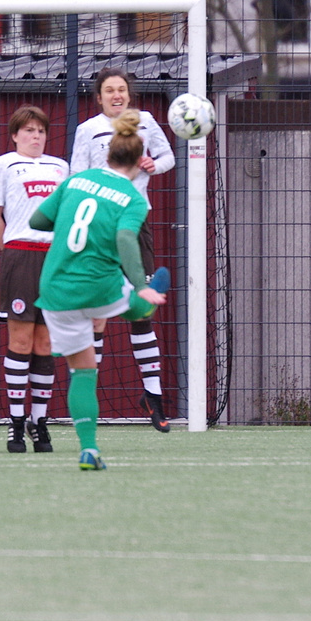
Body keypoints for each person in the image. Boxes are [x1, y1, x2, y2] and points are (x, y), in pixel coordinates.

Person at [31, 111, 171, 470]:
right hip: (99, 284)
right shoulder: (133, 197)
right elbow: (126, 238)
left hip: (56, 287)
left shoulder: (76, 181)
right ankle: (144, 301)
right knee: (137, 306)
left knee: (83, 369)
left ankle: (89, 449)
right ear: (139, 162)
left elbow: (37, 221)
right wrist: (142, 284)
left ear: (107, 155)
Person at [70, 67, 176, 431]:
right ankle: (90, 398)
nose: (116, 95)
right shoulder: (88, 130)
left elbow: (168, 158)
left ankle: (154, 397)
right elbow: (75, 176)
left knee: (142, 309)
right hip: (100, 227)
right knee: (96, 315)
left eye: (122, 90)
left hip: (135, 224)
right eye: (109, 91)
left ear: (129, 96)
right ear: (98, 97)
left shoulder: (146, 122)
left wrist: (153, 164)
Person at [0, 105, 69, 454]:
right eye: (29, 130)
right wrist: (8, 250)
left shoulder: (61, 167)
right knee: (20, 340)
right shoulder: (2, 165)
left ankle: (40, 422)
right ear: (15, 134)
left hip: (53, 258)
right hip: (20, 254)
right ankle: (16, 423)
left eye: (40, 131)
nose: (35, 136)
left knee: (46, 343)